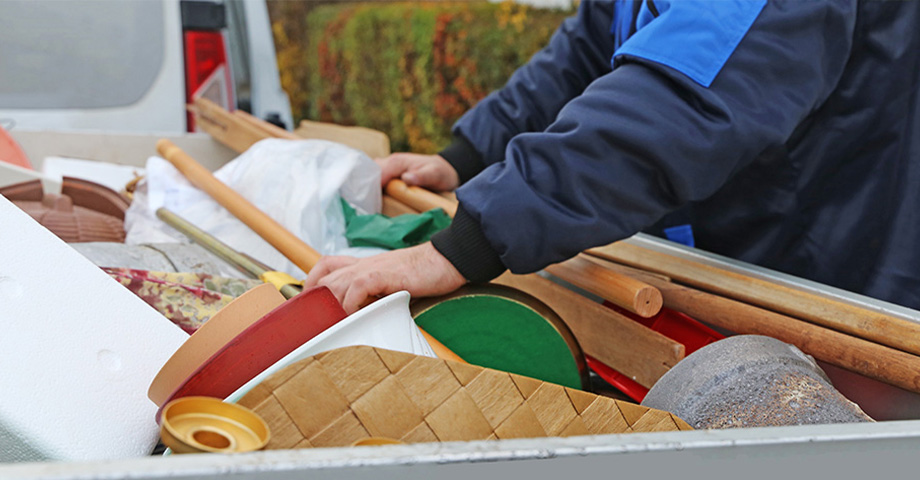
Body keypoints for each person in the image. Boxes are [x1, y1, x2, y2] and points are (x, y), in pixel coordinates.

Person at [306, 0, 920, 314]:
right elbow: (589, 47)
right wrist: (465, 155)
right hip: (726, 263)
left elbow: (684, 96)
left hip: (833, 283)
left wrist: (465, 245)